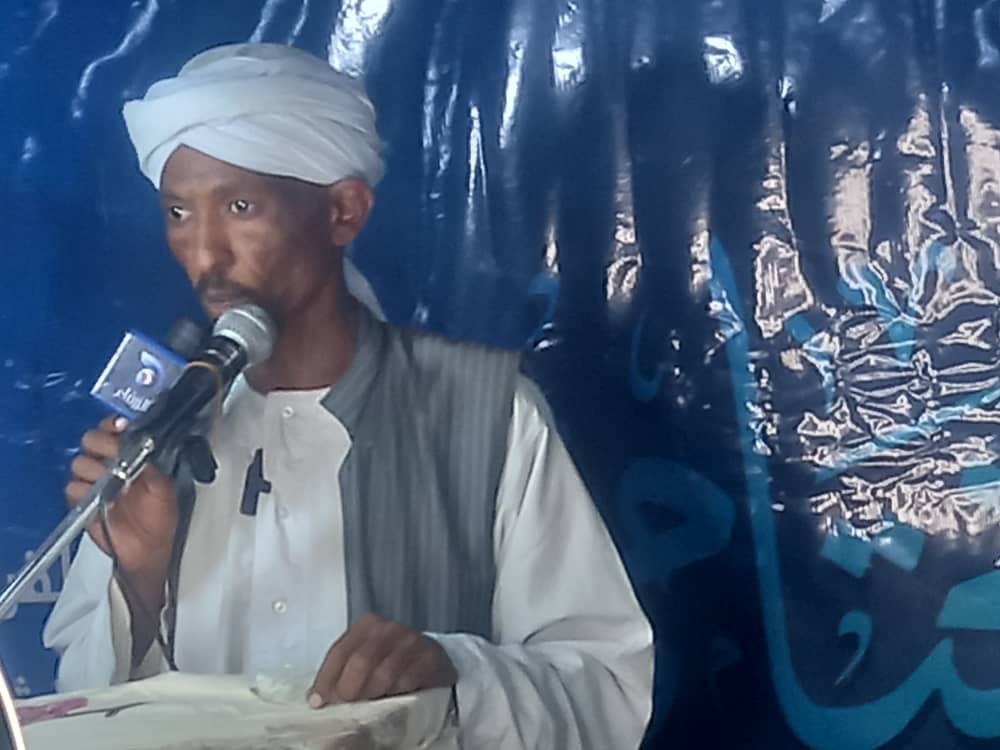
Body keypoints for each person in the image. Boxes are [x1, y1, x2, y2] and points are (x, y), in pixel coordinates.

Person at [44, 42, 653, 749]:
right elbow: (76, 708)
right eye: (179, 213)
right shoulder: (160, 433)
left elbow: (606, 686)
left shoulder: (487, 414)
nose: (205, 254)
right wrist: (140, 580)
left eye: (239, 206)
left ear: (343, 211)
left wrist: (455, 674)